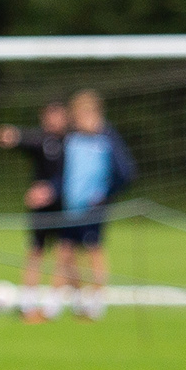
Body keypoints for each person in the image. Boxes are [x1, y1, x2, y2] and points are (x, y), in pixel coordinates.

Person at [54, 88, 137, 317]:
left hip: (93, 207)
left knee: (93, 249)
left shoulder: (107, 138)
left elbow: (126, 172)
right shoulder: (71, 139)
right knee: (65, 252)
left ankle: (96, 303)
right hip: (70, 206)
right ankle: (77, 300)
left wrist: (105, 194)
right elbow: (63, 173)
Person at [0, 100, 70, 321]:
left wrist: (53, 189)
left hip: (67, 206)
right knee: (35, 251)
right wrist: (13, 136)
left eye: (57, 114)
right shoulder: (43, 140)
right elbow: (26, 140)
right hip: (41, 208)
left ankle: (52, 307)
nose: (53, 119)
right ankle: (28, 306)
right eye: (49, 115)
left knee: (64, 253)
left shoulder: (74, 141)